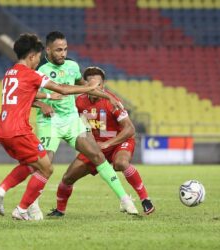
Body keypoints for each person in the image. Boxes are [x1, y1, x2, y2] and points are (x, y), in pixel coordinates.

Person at [0, 31, 138, 219]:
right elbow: (29, 96)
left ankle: (124, 199)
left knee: (96, 154)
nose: (63, 53)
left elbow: (80, 86)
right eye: (58, 50)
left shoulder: (72, 66)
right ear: (47, 51)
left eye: (65, 49)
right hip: (50, 122)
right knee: (44, 163)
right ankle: (31, 204)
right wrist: (43, 103)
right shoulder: (38, 72)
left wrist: (107, 96)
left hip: (73, 120)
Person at [48, 67, 155, 216]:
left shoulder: (112, 101)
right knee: (68, 177)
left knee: (121, 163)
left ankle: (145, 199)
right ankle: (60, 211)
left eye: (97, 84)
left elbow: (130, 129)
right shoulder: (79, 102)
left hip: (118, 143)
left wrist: (108, 143)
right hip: (95, 147)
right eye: (90, 84)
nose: (94, 88)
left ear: (103, 85)